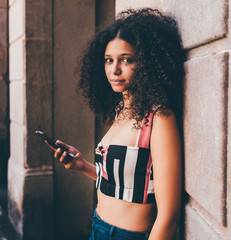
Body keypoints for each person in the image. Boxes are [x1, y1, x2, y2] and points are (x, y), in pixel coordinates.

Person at [51, 8, 185, 240]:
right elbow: (127, 186)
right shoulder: (121, 111)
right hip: (98, 227)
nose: (114, 70)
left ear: (146, 63)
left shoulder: (159, 117)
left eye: (127, 60)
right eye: (109, 60)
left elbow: (168, 215)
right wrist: (83, 166)